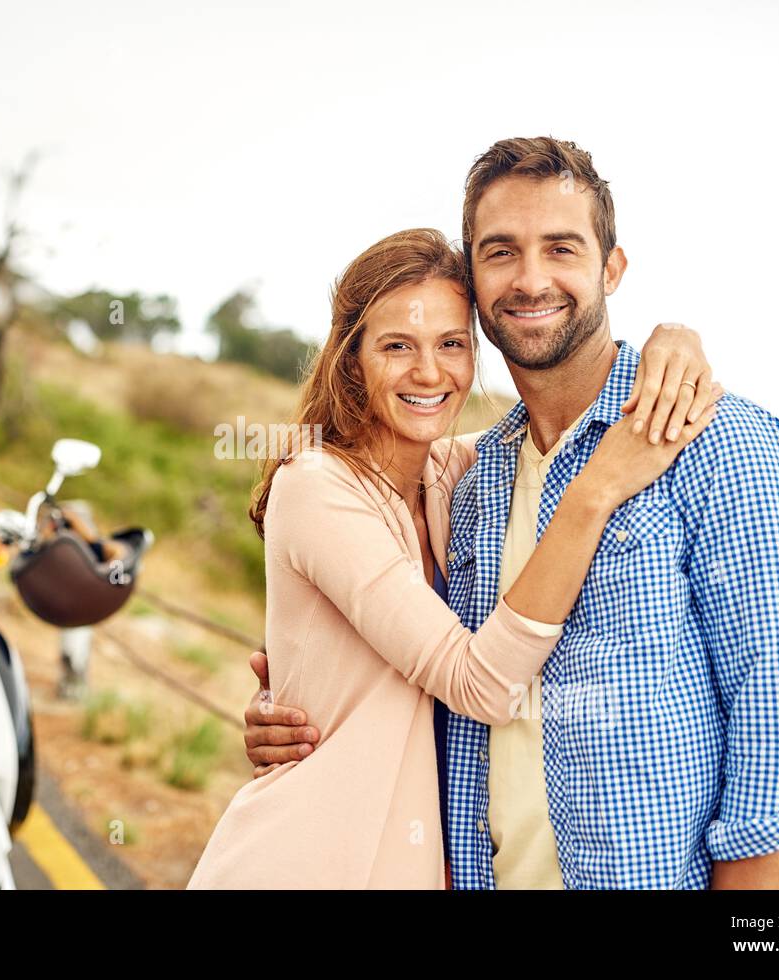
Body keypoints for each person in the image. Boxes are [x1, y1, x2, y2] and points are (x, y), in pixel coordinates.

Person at [242, 137, 779, 890]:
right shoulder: (471, 476)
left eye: (561, 248)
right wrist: (297, 694)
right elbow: (436, 666)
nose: (530, 280)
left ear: (611, 268)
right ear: (473, 276)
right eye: (500, 252)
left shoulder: (721, 443)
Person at [188, 224, 720, 889]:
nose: (430, 373)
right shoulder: (317, 485)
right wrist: (595, 495)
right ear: (350, 359)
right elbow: (481, 685)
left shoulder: (452, 470)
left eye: (451, 344)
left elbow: (550, 421)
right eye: (396, 347)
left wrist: (674, 340)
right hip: (306, 863)